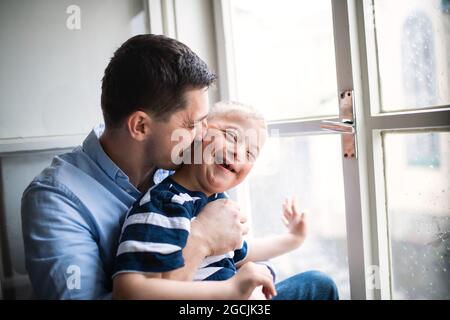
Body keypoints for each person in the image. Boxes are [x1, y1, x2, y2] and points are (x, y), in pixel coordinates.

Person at [21, 34, 338, 300]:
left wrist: (255, 263)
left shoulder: (182, 170)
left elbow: (231, 253)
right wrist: (201, 240)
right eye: (193, 124)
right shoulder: (56, 199)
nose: (203, 133)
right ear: (141, 126)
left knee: (317, 286)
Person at [113, 102, 311, 300]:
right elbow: (141, 290)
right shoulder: (162, 204)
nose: (239, 153)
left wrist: (293, 239)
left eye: (250, 153)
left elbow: (243, 250)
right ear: (200, 131)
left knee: (316, 283)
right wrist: (233, 288)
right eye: (232, 136)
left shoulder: (217, 203)